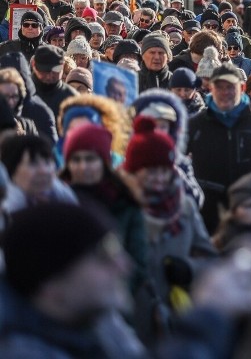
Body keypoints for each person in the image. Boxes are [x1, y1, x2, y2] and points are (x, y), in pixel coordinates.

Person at [0, 203, 144, 358]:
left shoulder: (98, 319)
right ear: (50, 285)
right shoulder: (21, 352)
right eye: (104, 257)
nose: (125, 266)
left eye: (117, 249)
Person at [123, 115, 218, 343]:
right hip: (130, 318)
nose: (158, 178)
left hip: (175, 318)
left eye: (163, 170)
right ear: (135, 172)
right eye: (150, 171)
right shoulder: (122, 207)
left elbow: (209, 258)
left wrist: (189, 269)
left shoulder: (183, 207)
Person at [187, 62, 251, 231]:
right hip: (207, 215)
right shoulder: (196, 124)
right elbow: (175, 163)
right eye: (219, 87)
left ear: (242, 87)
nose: (225, 93)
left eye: (230, 87)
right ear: (210, 88)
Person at [59, 122, 147, 294]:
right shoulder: (57, 200)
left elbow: (138, 262)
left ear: (104, 162)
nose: (83, 167)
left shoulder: (125, 202)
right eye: (76, 160)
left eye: (90, 159)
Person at [1, 133, 77, 212]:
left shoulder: (61, 193)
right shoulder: (7, 204)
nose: (44, 171)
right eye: (33, 163)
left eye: (47, 163)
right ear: (12, 171)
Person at [30, 44, 78, 117]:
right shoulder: (22, 92)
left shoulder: (71, 97)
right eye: (45, 70)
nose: (49, 76)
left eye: (55, 71)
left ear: (63, 65)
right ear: (34, 65)